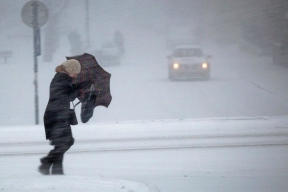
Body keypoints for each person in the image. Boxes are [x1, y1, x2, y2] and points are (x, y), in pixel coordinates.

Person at [38, 59, 83, 175]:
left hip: (57, 114)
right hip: (56, 115)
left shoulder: (62, 79)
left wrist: (79, 89)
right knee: (66, 142)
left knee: (61, 143)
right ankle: (46, 162)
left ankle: (57, 171)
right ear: (69, 70)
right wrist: (78, 91)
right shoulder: (61, 79)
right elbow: (65, 96)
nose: (76, 75)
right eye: (75, 72)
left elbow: (67, 93)